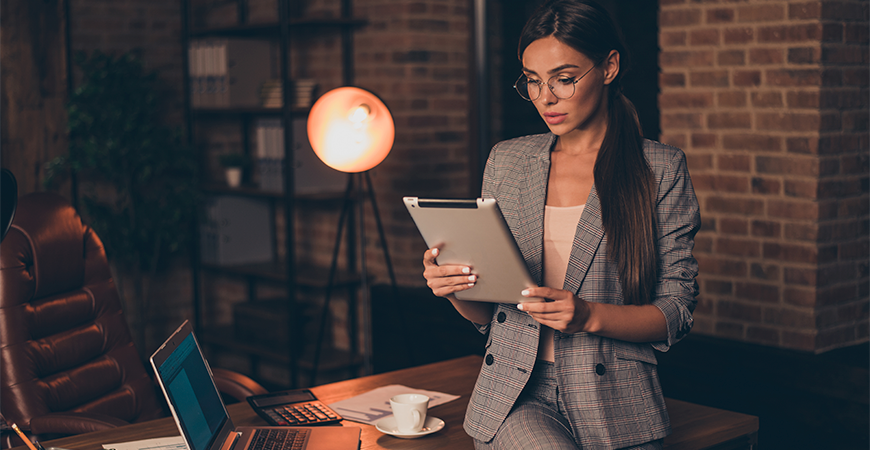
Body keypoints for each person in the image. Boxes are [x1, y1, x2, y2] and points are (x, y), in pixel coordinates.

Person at [422, 1, 700, 449]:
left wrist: (588, 315)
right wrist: (456, 288)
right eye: (532, 81)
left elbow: (676, 313)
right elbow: (489, 315)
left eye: (564, 79)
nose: (545, 98)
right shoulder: (508, 161)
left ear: (609, 67)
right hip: (517, 395)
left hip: (619, 405)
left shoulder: (660, 169)